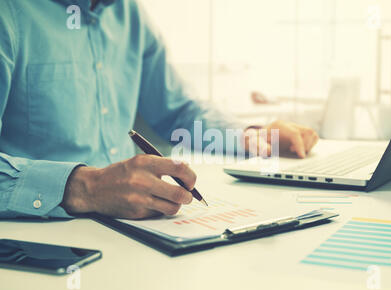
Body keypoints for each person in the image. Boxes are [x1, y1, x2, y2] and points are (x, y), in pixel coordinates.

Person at [0, 0, 318, 220]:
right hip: (42, 239)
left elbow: (177, 112)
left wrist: (249, 136)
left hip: (132, 226)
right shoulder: (9, 13)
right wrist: (87, 188)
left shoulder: (129, 14)